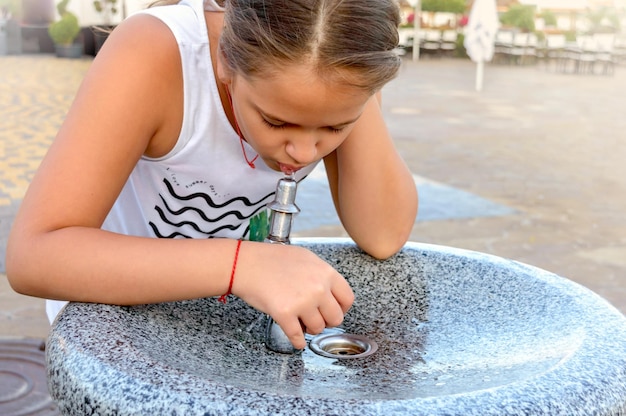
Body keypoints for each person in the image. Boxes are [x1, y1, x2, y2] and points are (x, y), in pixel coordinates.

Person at [6, 0, 418, 350]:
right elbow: (33, 256)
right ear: (224, 60)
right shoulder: (156, 53)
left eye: (333, 129)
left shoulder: (340, 68)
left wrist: (353, 92)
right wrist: (242, 266)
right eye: (276, 122)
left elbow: (382, 234)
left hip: (213, 319)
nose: (304, 151)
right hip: (113, 328)